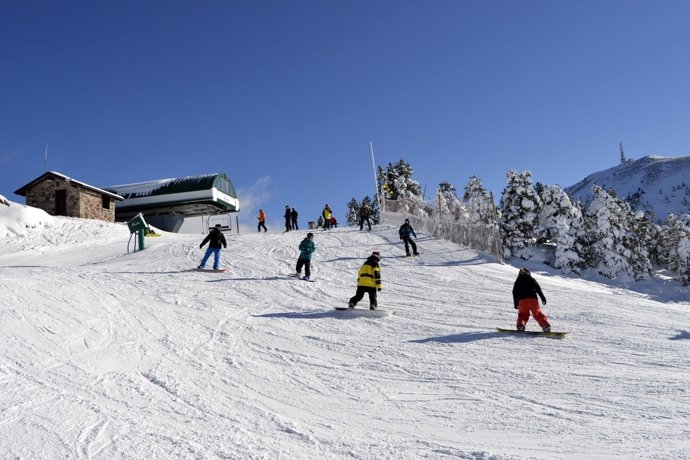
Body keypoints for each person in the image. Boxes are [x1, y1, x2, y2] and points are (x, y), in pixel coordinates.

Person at [512, 267, 551, 332]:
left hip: (522, 301)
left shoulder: (517, 281)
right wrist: (543, 298)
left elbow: (514, 293)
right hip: (533, 300)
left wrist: (516, 304)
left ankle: (521, 326)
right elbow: (538, 289)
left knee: (522, 314)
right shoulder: (532, 279)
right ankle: (545, 326)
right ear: (528, 273)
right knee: (537, 314)